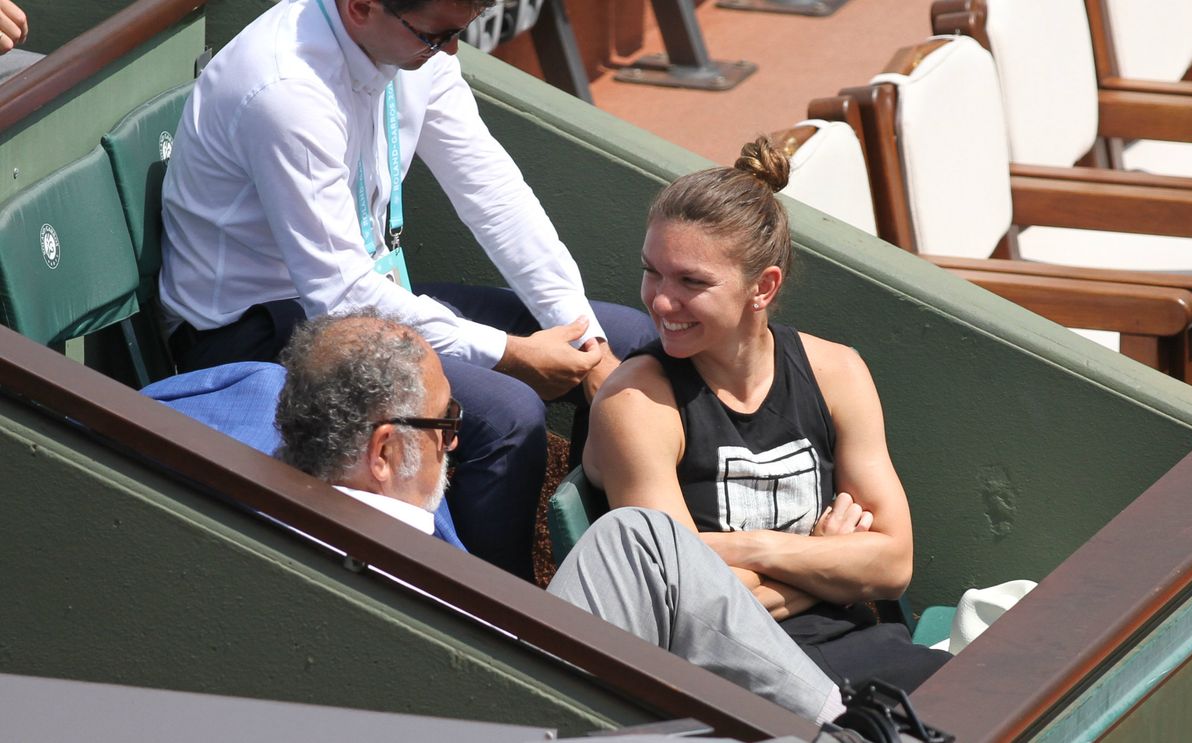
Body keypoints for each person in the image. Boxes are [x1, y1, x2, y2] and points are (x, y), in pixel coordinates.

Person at [159, 0, 655, 579]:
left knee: (629, 339)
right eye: (437, 35)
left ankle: (625, 574)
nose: (450, 50)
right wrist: (511, 355)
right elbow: (339, 297)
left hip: (368, 292)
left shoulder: (413, 46)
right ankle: (508, 618)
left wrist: (584, 337)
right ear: (362, 7)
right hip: (255, 331)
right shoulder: (285, 90)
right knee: (505, 414)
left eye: (458, 33)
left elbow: (492, 193)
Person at [273, 310, 846, 725]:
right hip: (513, 710)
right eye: (445, 422)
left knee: (637, 539)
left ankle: (845, 727)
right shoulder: (369, 556)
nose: (454, 441)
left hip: (507, 682)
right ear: (383, 454)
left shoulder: (277, 503)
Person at [584, 137, 951, 693]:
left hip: (870, 649)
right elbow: (686, 605)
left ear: (763, 287)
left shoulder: (836, 373)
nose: (659, 301)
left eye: (691, 282)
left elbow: (894, 564)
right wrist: (833, 566)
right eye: (652, 272)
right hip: (745, 681)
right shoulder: (636, 403)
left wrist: (751, 549)